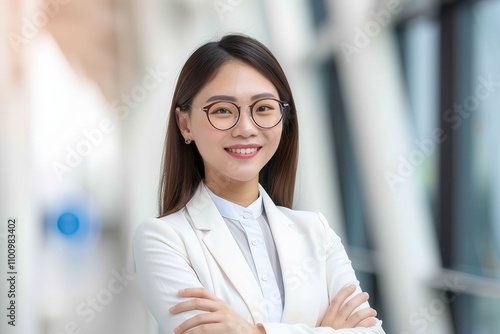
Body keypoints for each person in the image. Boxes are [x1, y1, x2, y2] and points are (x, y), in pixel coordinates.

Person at [133, 34, 385, 334]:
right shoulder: (164, 239)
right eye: (223, 110)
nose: (246, 128)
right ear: (185, 124)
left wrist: (253, 332)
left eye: (263, 108)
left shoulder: (315, 231)